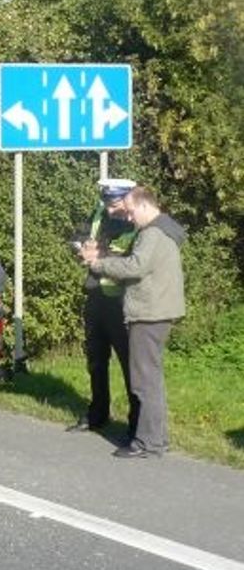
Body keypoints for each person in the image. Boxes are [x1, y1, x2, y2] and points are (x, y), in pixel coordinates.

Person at [82, 185, 186, 458]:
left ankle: (148, 443)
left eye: (130, 212)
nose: (128, 218)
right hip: (156, 311)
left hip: (149, 313)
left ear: (143, 205)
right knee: (150, 379)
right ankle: (155, 438)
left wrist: (98, 264)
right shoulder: (162, 230)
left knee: (144, 382)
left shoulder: (153, 233)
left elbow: (135, 266)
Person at [67, 178, 138, 436]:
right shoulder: (100, 212)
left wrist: (99, 256)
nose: (109, 209)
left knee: (131, 365)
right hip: (96, 296)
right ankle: (97, 414)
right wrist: (81, 248)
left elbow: (134, 261)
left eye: (114, 204)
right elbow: (76, 237)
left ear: (128, 200)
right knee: (96, 360)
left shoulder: (137, 220)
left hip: (124, 302)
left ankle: (137, 423)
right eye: (106, 203)